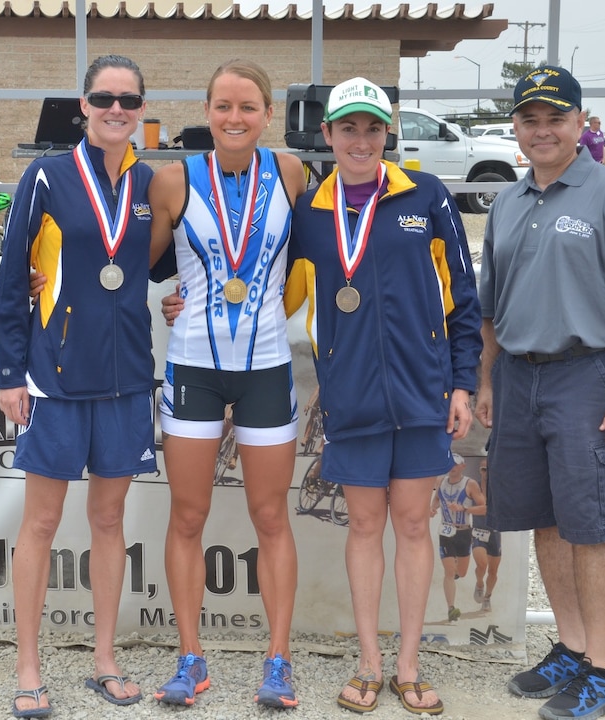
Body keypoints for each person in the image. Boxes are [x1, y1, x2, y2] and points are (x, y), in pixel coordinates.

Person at [288, 77, 482, 715]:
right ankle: (369, 661)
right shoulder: (310, 214)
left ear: (387, 133)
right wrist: (190, 299)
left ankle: (408, 664)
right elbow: (269, 292)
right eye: (349, 128)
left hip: (423, 395)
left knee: (413, 526)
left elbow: (462, 300)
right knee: (366, 527)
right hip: (354, 399)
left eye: (373, 128)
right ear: (328, 135)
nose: (362, 140)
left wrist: (462, 382)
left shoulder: (425, 197)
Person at [475, 65, 605, 720]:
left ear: (580, 124)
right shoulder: (507, 203)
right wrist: (488, 379)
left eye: (556, 118)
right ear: (517, 129)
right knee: (546, 522)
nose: (543, 130)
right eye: (531, 119)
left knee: (592, 523)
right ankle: (573, 650)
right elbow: (490, 309)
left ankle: (602, 673)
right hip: (521, 377)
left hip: (589, 374)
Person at [0, 54, 156, 718]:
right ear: (83, 105)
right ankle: (28, 667)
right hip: (55, 376)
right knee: (40, 522)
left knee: (111, 520)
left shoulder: (153, 183)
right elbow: (11, 278)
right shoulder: (47, 176)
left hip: (124, 378)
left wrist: (175, 300)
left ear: (142, 108)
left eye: (128, 99)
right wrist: (9, 372)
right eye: (104, 97)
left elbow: (168, 261)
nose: (116, 108)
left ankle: (105, 658)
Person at [147, 58, 308, 709]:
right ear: (207, 111)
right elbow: (145, 264)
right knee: (188, 515)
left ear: (268, 114)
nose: (235, 118)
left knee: (271, 515)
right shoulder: (171, 179)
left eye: (248, 107)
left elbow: (309, 256)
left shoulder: (292, 172)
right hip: (193, 367)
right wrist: (169, 297)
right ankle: (190, 659)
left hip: (268, 364)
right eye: (223, 106)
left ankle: (278, 660)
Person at [429, 453, 485, 623]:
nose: (452, 467)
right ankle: (451, 609)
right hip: (446, 531)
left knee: (461, 571)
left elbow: (484, 508)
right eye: (449, 464)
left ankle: (456, 573)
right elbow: (437, 500)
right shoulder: (440, 482)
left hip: (463, 532)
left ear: (463, 466)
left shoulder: (470, 484)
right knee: (448, 571)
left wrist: (464, 509)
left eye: (456, 464)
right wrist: (432, 508)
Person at [469, 455, 501, 612]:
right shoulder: (473, 487)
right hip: (478, 530)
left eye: (488, 469)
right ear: (479, 470)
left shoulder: (499, 487)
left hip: (495, 532)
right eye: (483, 469)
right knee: (482, 564)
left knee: (493, 571)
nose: (486, 472)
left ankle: (487, 597)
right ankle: (479, 583)